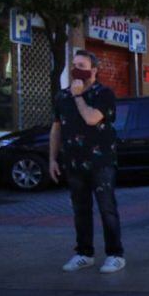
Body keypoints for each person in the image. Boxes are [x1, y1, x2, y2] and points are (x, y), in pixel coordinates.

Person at [49, 50, 125, 274]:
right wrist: (52, 158)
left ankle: (115, 254)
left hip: (101, 162)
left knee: (107, 209)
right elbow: (56, 128)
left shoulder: (104, 93)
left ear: (93, 70)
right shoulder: (62, 96)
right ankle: (84, 253)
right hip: (73, 162)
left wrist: (79, 96)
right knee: (80, 210)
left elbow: (92, 118)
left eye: (81, 64)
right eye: (73, 64)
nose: (76, 68)